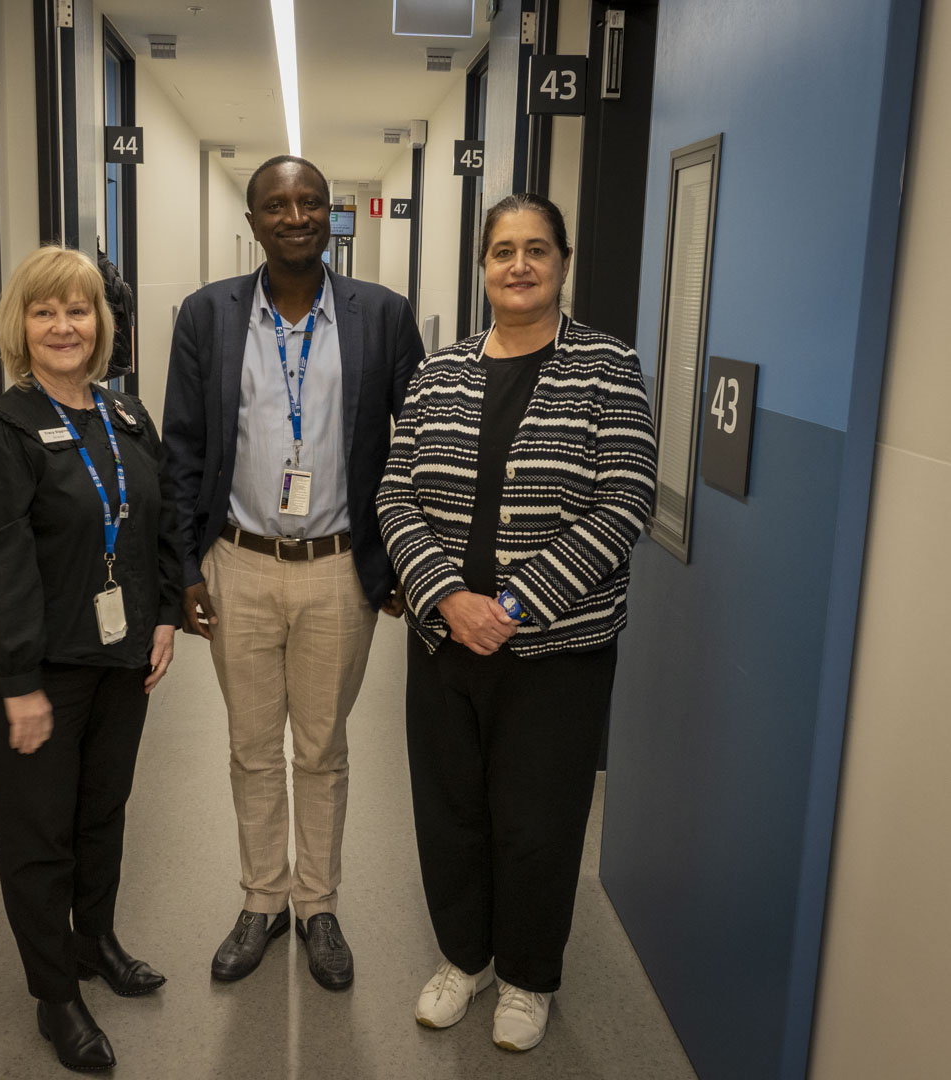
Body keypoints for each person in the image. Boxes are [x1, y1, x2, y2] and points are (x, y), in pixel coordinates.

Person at [376, 194, 657, 1052]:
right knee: (450, 807)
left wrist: (517, 604)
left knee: (538, 818)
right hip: (444, 641)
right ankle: (465, 959)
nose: (519, 265)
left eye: (537, 249)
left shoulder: (610, 367)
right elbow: (395, 492)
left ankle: (529, 976)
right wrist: (446, 600)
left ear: (564, 263)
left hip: (558, 651)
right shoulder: (441, 373)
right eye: (503, 251)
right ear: (485, 268)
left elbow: (626, 499)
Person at [162, 155, 424, 990]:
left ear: (330, 216)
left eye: (311, 201)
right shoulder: (206, 316)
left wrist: (397, 567)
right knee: (250, 748)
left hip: (337, 569)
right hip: (238, 562)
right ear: (253, 222)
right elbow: (183, 448)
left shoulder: (382, 314)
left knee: (322, 749)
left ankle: (318, 905)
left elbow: (413, 446)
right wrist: (184, 569)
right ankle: (260, 900)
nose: (297, 214)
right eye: (278, 203)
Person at [0, 245, 183, 1072]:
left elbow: (162, 522)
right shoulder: (2, 434)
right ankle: (55, 994)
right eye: (44, 311)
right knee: (38, 834)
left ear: (102, 324)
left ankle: (97, 942)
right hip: (41, 674)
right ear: (21, 325)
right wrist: (17, 683)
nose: (63, 327)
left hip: (122, 661)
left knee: (101, 814)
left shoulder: (124, 420)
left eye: (78, 311)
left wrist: (162, 619)